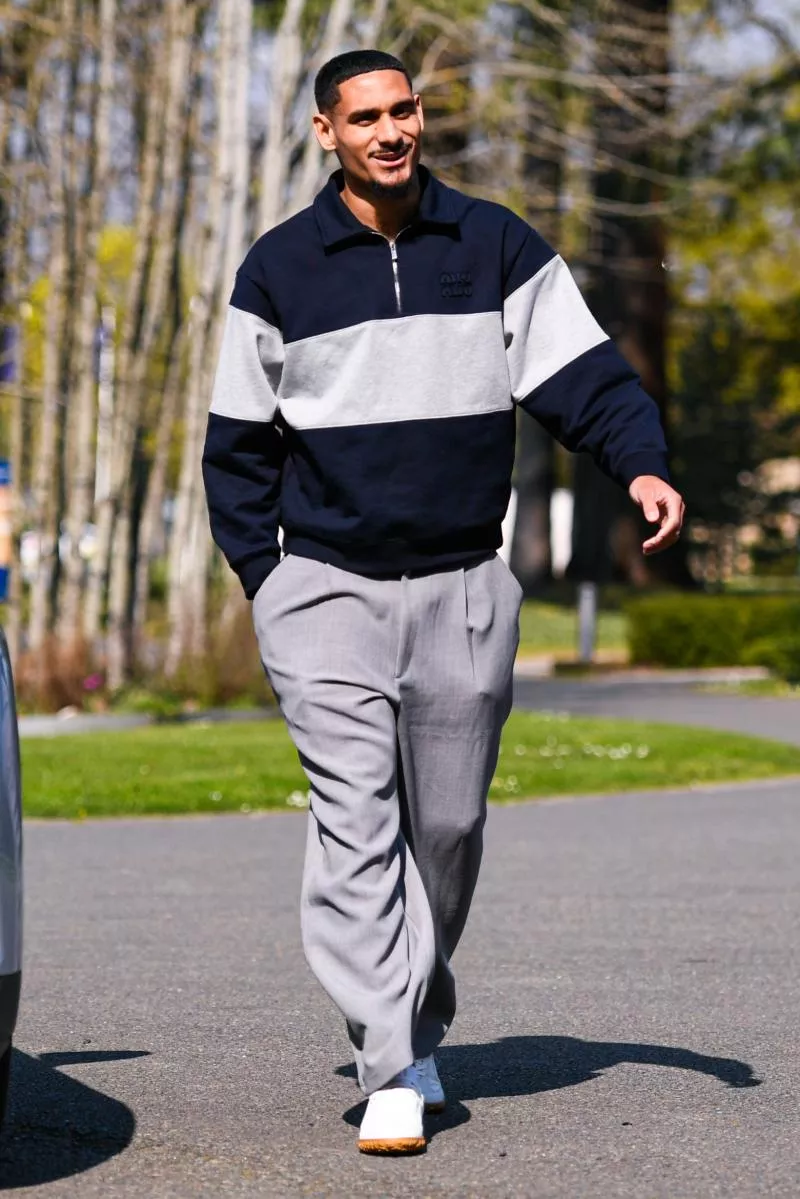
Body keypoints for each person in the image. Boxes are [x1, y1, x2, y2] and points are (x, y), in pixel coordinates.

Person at [202, 48, 685, 1155]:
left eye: (404, 109)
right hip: (322, 587)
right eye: (365, 116)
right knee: (355, 818)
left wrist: (643, 465)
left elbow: (584, 379)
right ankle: (393, 1062)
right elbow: (236, 445)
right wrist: (268, 578)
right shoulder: (278, 269)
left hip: (464, 582)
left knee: (449, 826)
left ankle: (412, 1016)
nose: (391, 131)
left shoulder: (495, 244)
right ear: (326, 132)